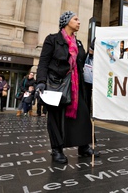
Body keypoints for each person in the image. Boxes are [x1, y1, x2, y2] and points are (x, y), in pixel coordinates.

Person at [36, 11, 99, 164]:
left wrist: (91, 50)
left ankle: (83, 147)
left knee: (82, 114)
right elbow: (43, 62)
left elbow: (82, 62)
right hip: (56, 84)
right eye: (75, 19)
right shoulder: (52, 40)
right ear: (66, 22)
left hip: (76, 86)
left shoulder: (78, 43)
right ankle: (57, 150)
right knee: (56, 117)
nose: (79, 22)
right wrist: (41, 81)